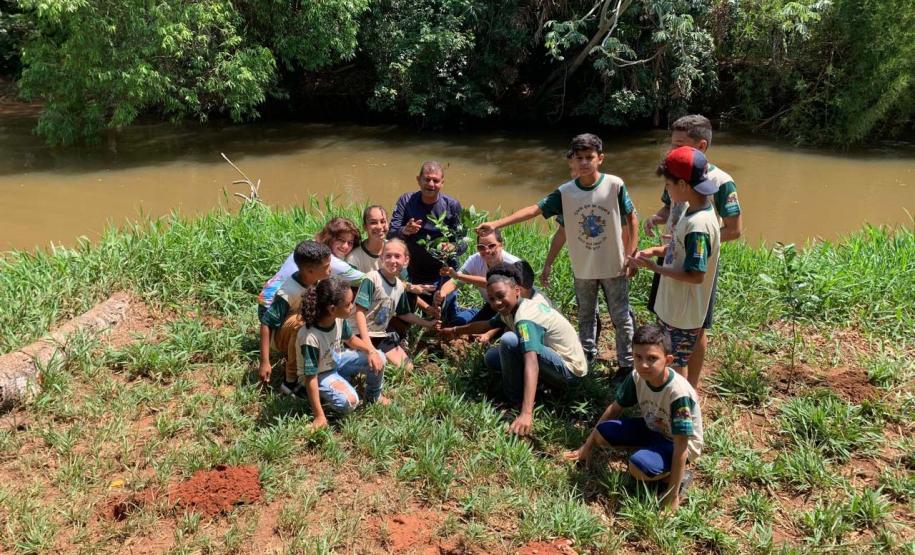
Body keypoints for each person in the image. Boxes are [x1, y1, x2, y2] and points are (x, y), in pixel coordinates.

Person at [477, 133, 638, 377]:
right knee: (586, 314)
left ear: (600, 159)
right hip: (583, 267)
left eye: (589, 157)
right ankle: (586, 357)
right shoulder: (566, 193)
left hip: (613, 265)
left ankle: (626, 365)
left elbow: (631, 218)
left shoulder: (614, 185)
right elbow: (536, 210)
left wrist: (631, 254)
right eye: (579, 157)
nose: (584, 162)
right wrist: (498, 223)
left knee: (621, 316)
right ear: (572, 159)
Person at [643, 115, 742, 387]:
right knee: (667, 320)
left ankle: (688, 388)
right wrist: (658, 226)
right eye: (673, 145)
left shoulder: (720, 183)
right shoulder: (680, 179)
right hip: (673, 254)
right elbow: (669, 207)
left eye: (680, 145)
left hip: (693, 261)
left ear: (701, 146)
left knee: (693, 329)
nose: (674, 151)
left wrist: (691, 244)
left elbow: (733, 230)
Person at [564, 324, 703, 511]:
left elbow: (681, 447)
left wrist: (673, 497)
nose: (644, 364)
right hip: (653, 427)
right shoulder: (638, 376)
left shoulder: (678, 394)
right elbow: (615, 408)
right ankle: (653, 456)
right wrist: (586, 447)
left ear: (668, 360)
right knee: (601, 434)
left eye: (652, 358)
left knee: (637, 467)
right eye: (638, 357)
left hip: (678, 442)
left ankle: (677, 478)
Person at [438, 271, 588, 436]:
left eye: (501, 295)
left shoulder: (525, 317)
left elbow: (531, 361)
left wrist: (526, 414)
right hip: (552, 360)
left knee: (509, 340)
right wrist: (454, 330)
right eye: (492, 299)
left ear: (516, 290)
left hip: (569, 372)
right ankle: (534, 387)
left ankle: (515, 402)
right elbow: (486, 324)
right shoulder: (513, 308)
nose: (497, 302)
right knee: (493, 357)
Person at [630, 146, 721, 387]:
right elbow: (682, 252)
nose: (667, 191)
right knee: (671, 361)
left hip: (683, 312)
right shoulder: (695, 209)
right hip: (674, 306)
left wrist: (655, 268)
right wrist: (659, 251)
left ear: (682, 184)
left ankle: (680, 410)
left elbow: (695, 274)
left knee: (676, 364)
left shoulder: (699, 225)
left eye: (668, 185)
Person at [296, 277, 388, 429]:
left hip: (336, 359)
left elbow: (351, 339)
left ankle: (373, 396)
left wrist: (371, 350)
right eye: (348, 304)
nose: (352, 307)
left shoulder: (338, 319)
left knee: (380, 357)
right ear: (332, 309)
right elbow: (310, 377)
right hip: (319, 374)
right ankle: (323, 394)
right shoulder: (310, 338)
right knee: (350, 402)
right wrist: (319, 416)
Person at [257, 241, 332, 391]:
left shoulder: (317, 280)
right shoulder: (289, 292)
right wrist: (265, 361)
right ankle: (290, 380)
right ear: (310, 271)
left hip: (299, 325)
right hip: (281, 336)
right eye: (326, 267)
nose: (330, 269)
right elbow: (266, 324)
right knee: (301, 325)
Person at [352, 239, 438, 369]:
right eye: (388, 256)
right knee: (369, 366)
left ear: (406, 260)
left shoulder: (399, 286)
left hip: (380, 334)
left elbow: (405, 314)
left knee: (407, 368)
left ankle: (378, 356)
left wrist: (428, 324)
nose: (393, 261)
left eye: (397, 256)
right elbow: (359, 313)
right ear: (381, 258)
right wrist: (368, 347)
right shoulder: (372, 278)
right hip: (358, 333)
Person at [258, 217, 365, 319]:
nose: (345, 246)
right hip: (273, 307)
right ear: (330, 238)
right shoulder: (331, 261)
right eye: (341, 240)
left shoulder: (311, 246)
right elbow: (367, 280)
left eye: (350, 243)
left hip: (265, 300)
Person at [388, 161, 467, 291]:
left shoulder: (452, 206)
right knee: (412, 309)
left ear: (442, 183)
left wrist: (453, 247)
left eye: (435, 181)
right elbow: (391, 233)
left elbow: (463, 242)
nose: (431, 184)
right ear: (419, 180)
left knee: (445, 310)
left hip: (444, 270)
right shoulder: (406, 201)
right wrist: (405, 230)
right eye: (427, 179)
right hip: (413, 269)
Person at [434, 228, 520, 325]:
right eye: (481, 247)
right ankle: (474, 313)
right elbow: (455, 282)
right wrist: (442, 293)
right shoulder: (475, 260)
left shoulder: (514, 264)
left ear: (501, 245)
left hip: (514, 309)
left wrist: (458, 276)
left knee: (506, 338)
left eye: (492, 246)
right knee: (457, 324)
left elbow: (492, 283)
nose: (487, 250)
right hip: (492, 306)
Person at [346, 205, 388, 273]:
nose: (379, 227)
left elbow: (405, 280)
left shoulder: (397, 249)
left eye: (383, 221)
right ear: (365, 227)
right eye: (373, 222)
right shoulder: (353, 258)